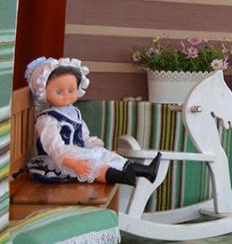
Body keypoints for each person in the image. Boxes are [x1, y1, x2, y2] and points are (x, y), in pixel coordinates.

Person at [25, 57, 161, 185]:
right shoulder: (47, 119)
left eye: (71, 90)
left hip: (78, 152)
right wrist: (72, 163)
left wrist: (97, 149)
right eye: (59, 92)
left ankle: (146, 171)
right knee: (93, 166)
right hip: (61, 161)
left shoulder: (74, 112)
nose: (66, 95)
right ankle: (122, 176)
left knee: (103, 155)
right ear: (43, 93)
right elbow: (54, 147)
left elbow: (84, 136)